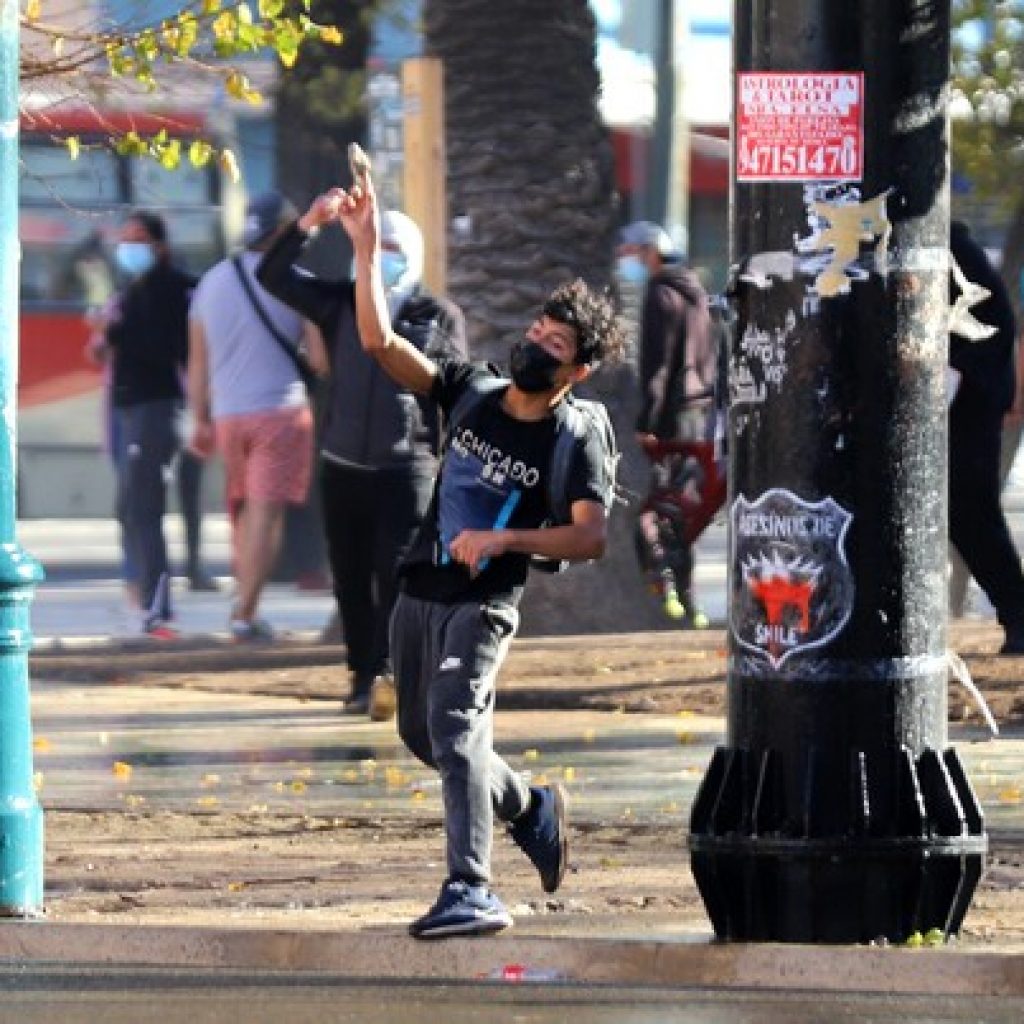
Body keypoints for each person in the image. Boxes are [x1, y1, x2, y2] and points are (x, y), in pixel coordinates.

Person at [331, 167, 624, 939]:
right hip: (421, 586)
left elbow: (590, 535)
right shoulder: (471, 391)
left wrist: (505, 538)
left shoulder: (571, 437)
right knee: (423, 738)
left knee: (457, 731)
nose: (535, 344)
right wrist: (365, 252)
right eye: (537, 332)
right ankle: (531, 806)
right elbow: (378, 341)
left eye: (554, 345)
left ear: (577, 370)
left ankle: (471, 888)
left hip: (484, 602)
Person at [257, 194, 466, 715]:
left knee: (394, 574)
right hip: (344, 463)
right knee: (349, 577)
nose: (382, 255)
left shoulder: (436, 314)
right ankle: (361, 675)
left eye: (393, 247)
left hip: (406, 466)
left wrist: (451, 458)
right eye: (376, 245)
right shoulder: (341, 301)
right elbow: (273, 275)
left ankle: (394, 673)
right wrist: (310, 223)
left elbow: (454, 389)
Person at [188, 191, 329, 642]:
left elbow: (198, 363)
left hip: (229, 417)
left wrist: (199, 420)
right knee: (267, 516)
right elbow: (322, 361)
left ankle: (243, 604)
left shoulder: (211, 281)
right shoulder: (297, 281)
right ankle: (245, 614)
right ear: (286, 230)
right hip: (280, 412)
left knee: (248, 512)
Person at [97, 211, 195, 638]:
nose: (130, 247)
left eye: (138, 239)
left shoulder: (172, 289)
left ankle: (158, 608)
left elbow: (164, 347)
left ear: (159, 245)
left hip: (156, 407)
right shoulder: (132, 289)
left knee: (145, 508)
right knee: (129, 508)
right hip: (130, 407)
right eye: (126, 239)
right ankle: (139, 597)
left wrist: (116, 333)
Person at [618, 221, 719, 628]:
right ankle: (687, 601)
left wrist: (647, 422)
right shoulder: (697, 294)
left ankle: (666, 594)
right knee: (682, 509)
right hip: (701, 417)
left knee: (652, 510)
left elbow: (657, 366)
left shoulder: (659, 294)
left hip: (669, 420)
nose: (626, 263)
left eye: (630, 255)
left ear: (649, 252)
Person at [948, 220, 1024, 654]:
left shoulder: (952, 250)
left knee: (970, 511)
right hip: (942, 395)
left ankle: (1016, 612)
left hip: (968, 400)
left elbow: (997, 326)